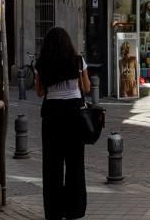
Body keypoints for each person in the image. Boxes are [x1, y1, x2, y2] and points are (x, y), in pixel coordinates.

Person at [34, 26, 91, 219]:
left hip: (52, 115)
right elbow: (87, 87)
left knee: (52, 165)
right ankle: (75, 209)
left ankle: (54, 211)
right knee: (75, 163)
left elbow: (40, 92)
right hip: (74, 114)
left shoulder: (42, 63)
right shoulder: (78, 61)